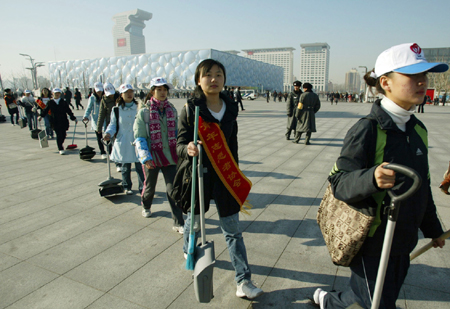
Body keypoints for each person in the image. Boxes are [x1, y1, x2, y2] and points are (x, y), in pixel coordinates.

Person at [314, 43, 448, 309]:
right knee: (378, 302)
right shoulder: (367, 129)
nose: (422, 81)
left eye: (425, 75)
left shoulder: (418, 129)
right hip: (373, 240)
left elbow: (423, 186)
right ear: (386, 82)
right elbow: (339, 183)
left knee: (376, 296)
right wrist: (371, 178)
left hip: (404, 237)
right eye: (413, 76)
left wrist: (433, 229)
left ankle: (327, 300)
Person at [176, 59, 263, 299]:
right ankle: (188, 248)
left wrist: (235, 169)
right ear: (198, 80)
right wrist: (189, 149)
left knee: (233, 230)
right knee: (193, 222)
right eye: (208, 75)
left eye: (219, 75)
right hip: (198, 176)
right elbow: (179, 144)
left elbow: (231, 144)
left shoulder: (231, 107)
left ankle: (243, 281)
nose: (214, 79)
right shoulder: (190, 108)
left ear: (224, 79)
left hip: (225, 177)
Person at [134, 77, 185, 233]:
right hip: (152, 158)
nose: (162, 93)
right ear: (152, 91)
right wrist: (145, 157)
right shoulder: (144, 112)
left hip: (170, 157)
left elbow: (177, 133)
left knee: (173, 190)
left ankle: (178, 222)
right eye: (159, 90)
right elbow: (140, 137)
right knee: (150, 187)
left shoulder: (172, 110)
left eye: (165, 90)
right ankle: (146, 204)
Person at [103, 84, 144, 195]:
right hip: (124, 140)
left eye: (131, 92)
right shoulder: (116, 110)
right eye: (126, 92)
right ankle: (127, 186)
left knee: (140, 167)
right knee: (125, 167)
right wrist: (108, 133)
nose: (129, 94)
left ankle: (143, 188)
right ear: (121, 94)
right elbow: (113, 125)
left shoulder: (140, 106)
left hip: (138, 141)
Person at [40, 88, 77, 155]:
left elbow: (68, 111)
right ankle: (60, 148)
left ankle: (60, 143)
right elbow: (45, 110)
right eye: (55, 93)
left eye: (58, 93)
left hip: (63, 121)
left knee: (63, 135)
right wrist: (41, 116)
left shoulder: (63, 102)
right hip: (55, 121)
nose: (57, 94)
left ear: (60, 94)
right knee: (59, 134)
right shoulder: (50, 102)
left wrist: (73, 118)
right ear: (53, 94)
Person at [97, 83, 121, 171]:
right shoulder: (104, 100)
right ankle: (118, 164)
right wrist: (99, 128)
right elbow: (101, 113)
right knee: (114, 145)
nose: (111, 95)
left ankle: (124, 161)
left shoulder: (120, 97)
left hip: (122, 124)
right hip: (111, 124)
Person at [83, 82, 107, 159]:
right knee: (99, 136)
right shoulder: (92, 98)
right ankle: (102, 152)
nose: (99, 92)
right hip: (96, 120)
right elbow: (89, 108)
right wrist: (86, 116)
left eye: (100, 90)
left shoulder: (105, 97)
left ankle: (110, 150)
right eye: (98, 91)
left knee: (108, 135)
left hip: (105, 119)